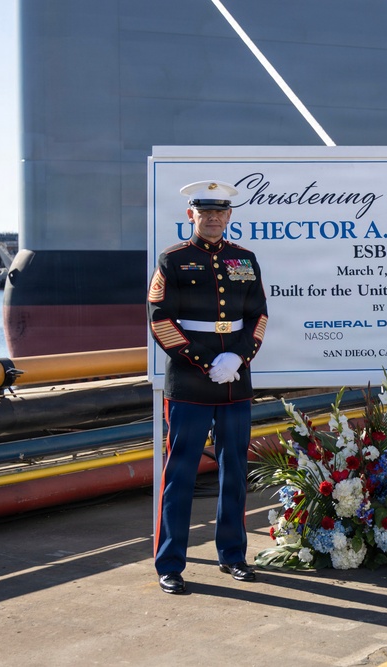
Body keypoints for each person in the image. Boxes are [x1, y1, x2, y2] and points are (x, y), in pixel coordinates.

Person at [148, 180, 269, 594]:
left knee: (235, 472)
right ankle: (170, 564)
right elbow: (160, 320)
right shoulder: (173, 260)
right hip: (189, 381)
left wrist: (237, 358)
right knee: (180, 473)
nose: (213, 219)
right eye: (205, 213)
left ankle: (233, 555)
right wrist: (205, 362)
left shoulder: (245, 259)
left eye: (220, 212)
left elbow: (258, 316)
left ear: (229, 216)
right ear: (191, 216)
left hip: (235, 380)